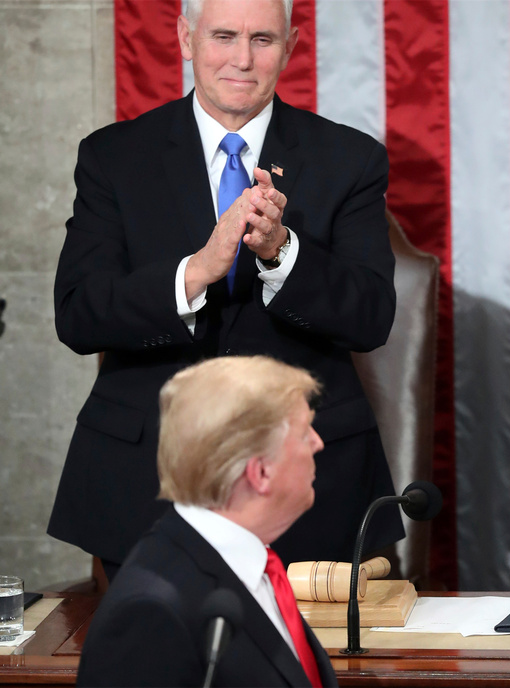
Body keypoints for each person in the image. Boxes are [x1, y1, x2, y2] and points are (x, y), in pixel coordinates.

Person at [49, 0, 403, 580]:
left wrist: (282, 252)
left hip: (310, 486)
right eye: (223, 36)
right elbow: (79, 315)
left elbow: (371, 318)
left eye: (263, 39)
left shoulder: (351, 158)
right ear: (186, 37)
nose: (242, 58)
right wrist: (195, 272)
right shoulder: (113, 157)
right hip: (146, 482)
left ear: (290, 46)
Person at [78, 356, 338, 687]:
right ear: (260, 472)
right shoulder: (149, 613)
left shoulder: (255, 565)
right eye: (304, 433)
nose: (319, 443)